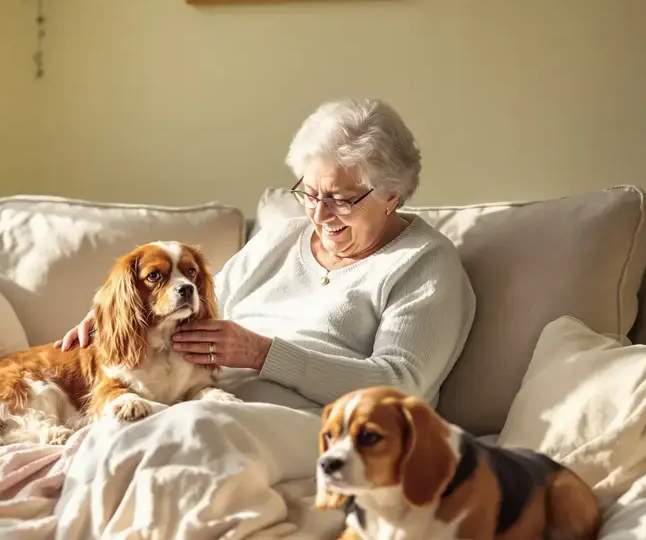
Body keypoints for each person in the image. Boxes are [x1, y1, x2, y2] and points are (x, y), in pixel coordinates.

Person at [57, 98, 476, 411]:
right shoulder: (280, 240)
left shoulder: (423, 264)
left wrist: (263, 354)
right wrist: (116, 313)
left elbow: (400, 387)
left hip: (307, 427)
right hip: (203, 406)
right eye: (310, 193)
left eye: (340, 199)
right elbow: (197, 304)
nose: (318, 214)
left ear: (391, 196)